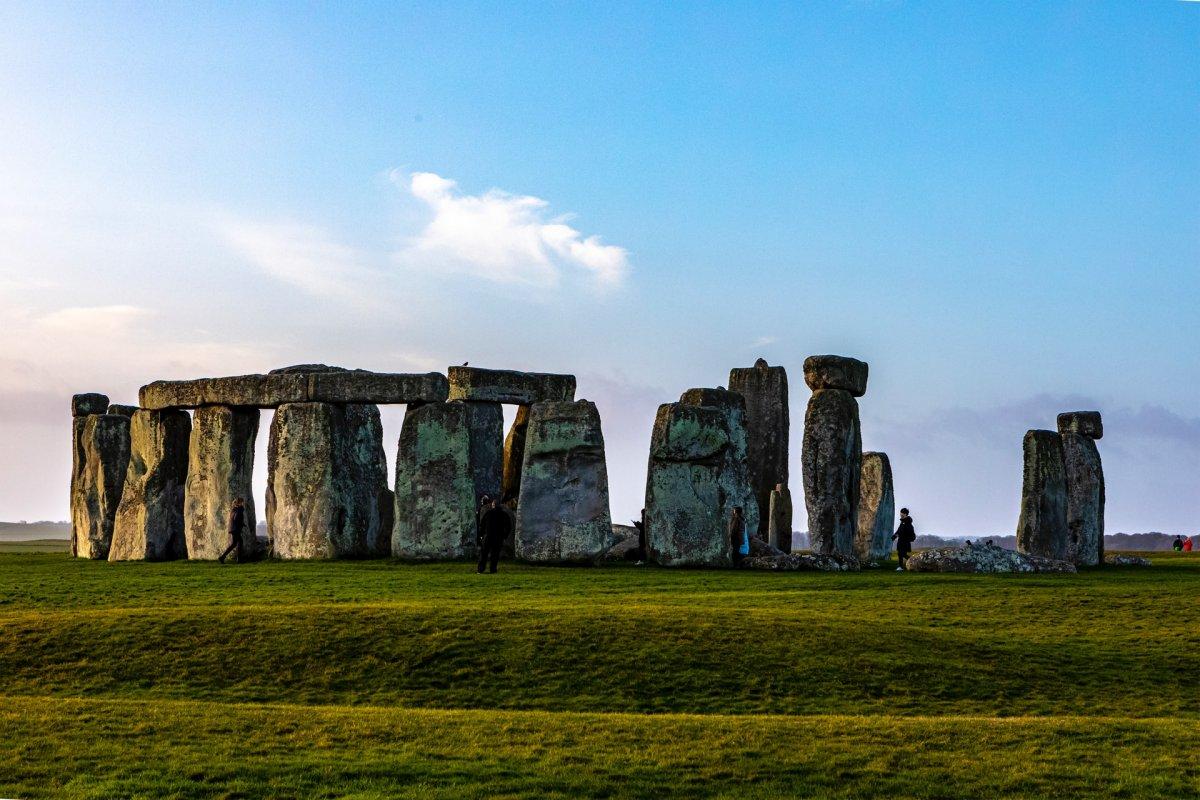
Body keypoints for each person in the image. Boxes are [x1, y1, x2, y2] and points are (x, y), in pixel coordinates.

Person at [476, 497, 512, 574]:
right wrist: (504, 536)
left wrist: (481, 535)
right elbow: (508, 526)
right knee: (495, 554)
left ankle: (481, 569)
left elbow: (482, 525)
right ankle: (493, 569)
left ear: (493, 505)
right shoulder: (504, 514)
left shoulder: (488, 513)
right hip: (498, 537)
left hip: (488, 536)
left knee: (484, 554)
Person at [218, 497, 247, 564]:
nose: (243, 503)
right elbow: (236, 518)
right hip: (235, 529)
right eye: (242, 502)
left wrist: (242, 523)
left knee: (235, 543)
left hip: (233, 528)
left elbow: (234, 518)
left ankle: (223, 557)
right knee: (237, 543)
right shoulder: (239, 509)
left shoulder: (234, 509)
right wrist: (241, 524)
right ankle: (238, 560)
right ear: (240, 502)